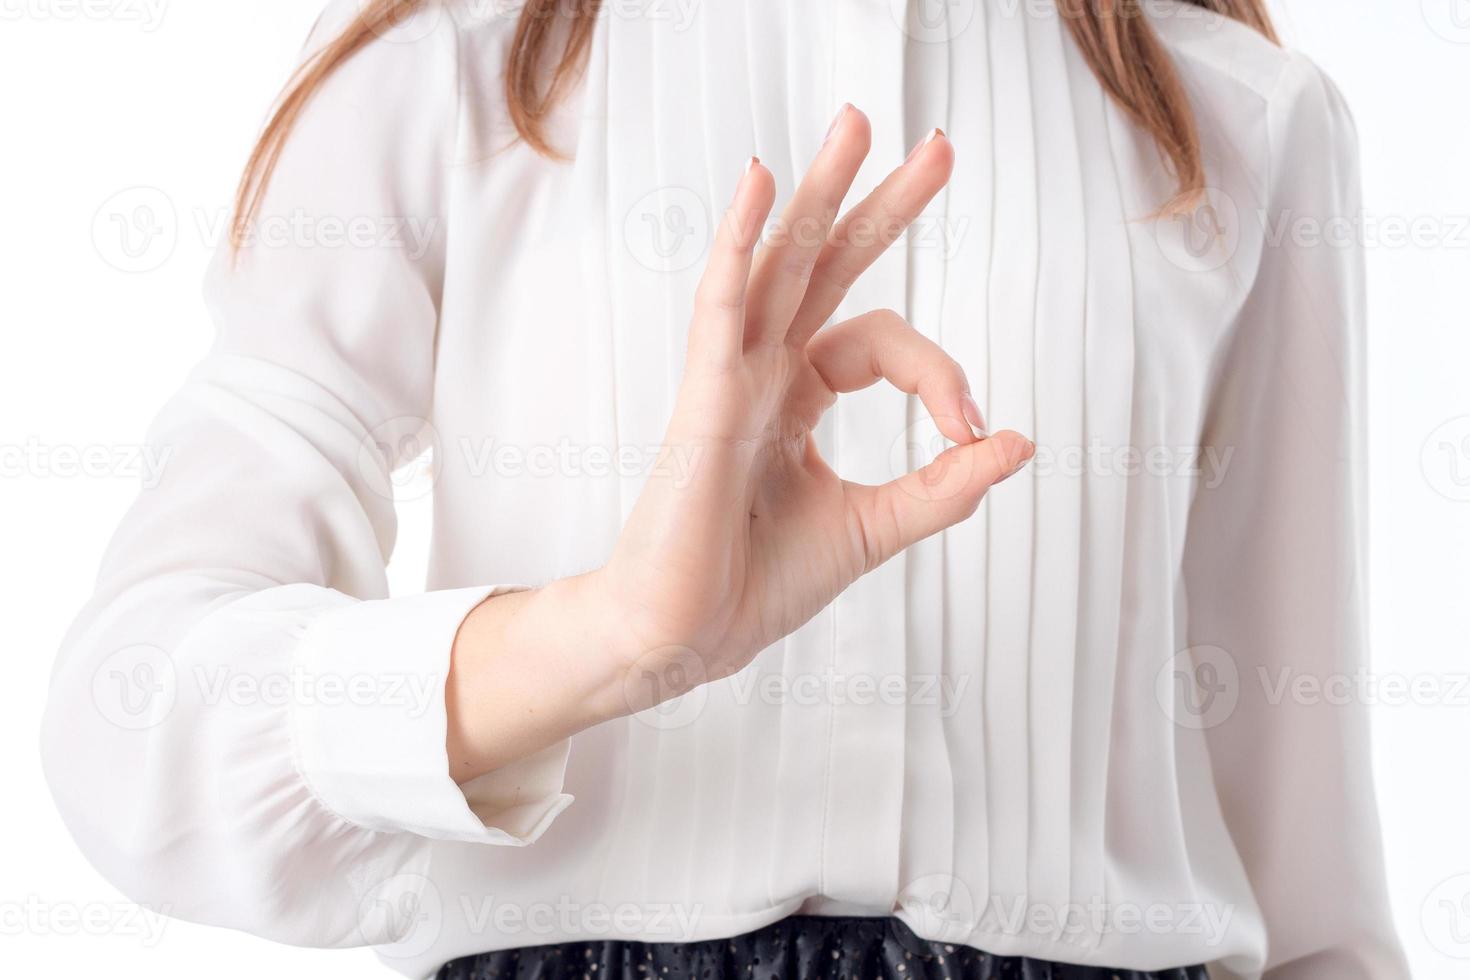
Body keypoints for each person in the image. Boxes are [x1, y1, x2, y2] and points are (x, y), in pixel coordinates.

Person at [41, 0, 1408, 977]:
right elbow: (130, 731)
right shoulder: (440, 73)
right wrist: (611, 634)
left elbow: (1312, 896)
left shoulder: (1235, 120)